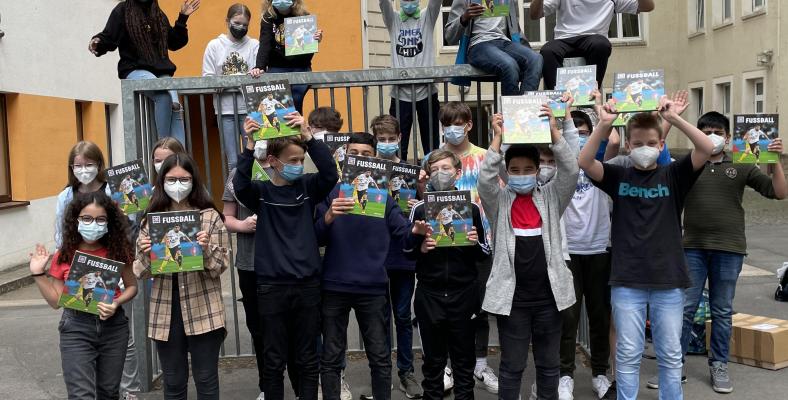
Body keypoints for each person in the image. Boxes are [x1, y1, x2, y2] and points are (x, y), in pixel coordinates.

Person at [578, 97, 714, 400]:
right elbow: (585, 162)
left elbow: (707, 148)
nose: (644, 147)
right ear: (628, 146)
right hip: (627, 278)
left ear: (662, 144)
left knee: (669, 351)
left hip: (669, 279)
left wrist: (675, 119)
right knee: (627, 353)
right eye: (638, 142)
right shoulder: (618, 175)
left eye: (651, 142)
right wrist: (603, 125)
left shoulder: (675, 175)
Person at [645, 112, 786, 394]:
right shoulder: (689, 165)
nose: (712, 136)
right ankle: (675, 367)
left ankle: (719, 364)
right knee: (684, 309)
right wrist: (669, 118)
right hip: (692, 247)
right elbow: (654, 162)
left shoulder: (742, 162)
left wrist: (776, 162)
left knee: (722, 311)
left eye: (717, 132)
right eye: (705, 131)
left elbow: (778, 193)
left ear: (728, 137)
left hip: (729, 248)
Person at [314, 133, 429, 400]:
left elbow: (404, 235)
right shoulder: (331, 192)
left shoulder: (386, 198)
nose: (360, 159)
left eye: (366, 154)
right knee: (331, 357)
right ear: (345, 156)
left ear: (376, 158)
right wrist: (329, 216)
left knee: (379, 358)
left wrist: (416, 230)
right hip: (334, 285)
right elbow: (315, 237)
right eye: (354, 153)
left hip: (373, 287)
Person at [233, 112, 338, 400]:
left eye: (301, 160)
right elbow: (240, 186)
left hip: (307, 285)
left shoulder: (308, 187)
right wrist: (249, 146)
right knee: (273, 359)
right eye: (292, 161)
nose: (298, 166)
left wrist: (309, 138)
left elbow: (330, 174)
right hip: (271, 287)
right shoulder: (261, 192)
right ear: (274, 162)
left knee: (307, 358)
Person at [479, 108, 578, 400]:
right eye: (515, 170)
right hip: (514, 302)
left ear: (538, 171)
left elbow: (571, 171)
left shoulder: (551, 196)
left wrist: (554, 132)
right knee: (512, 366)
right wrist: (497, 139)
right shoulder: (499, 201)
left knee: (549, 366)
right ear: (506, 173)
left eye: (528, 170)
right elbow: (485, 180)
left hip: (550, 299)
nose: (521, 176)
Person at [133, 153, 231, 399]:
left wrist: (206, 249)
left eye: (184, 179)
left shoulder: (209, 216)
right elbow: (141, 271)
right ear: (162, 181)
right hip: (166, 310)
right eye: (171, 179)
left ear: (194, 180)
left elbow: (221, 265)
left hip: (204, 308)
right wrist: (146, 254)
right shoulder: (151, 219)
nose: (178, 185)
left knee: (206, 379)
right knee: (173, 382)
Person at [30, 191, 138, 400]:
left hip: (114, 328)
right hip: (76, 328)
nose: (93, 224)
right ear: (76, 220)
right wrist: (37, 273)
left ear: (109, 223)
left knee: (108, 392)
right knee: (81, 395)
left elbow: (132, 287)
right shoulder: (65, 254)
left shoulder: (118, 250)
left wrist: (116, 303)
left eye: (100, 219)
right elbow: (55, 302)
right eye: (87, 218)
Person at [422, 101, 498, 394]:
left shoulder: (482, 156)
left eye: (457, 123)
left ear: (468, 125)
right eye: (446, 124)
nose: (451, 129)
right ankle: (447, 367)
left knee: (479, 307)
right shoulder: (432, 157)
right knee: (445, 314)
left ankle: (479, 363)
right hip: (440, 245)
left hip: (477, 241)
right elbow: (425, 198)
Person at [406, 149, 491, 400]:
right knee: (433, 365)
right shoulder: (420, 209)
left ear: (458, 173)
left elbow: (485, 253)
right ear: (428, 175)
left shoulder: (471, 208)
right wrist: (419, 246)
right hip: (429, 294)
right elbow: (406, 253)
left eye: (446, 168)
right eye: (435, 169)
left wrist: (474, 242)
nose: (440, 174)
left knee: (464, 363)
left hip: (464, 294)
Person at [90, 0, 201, 144]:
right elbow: (109, 37)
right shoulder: (122, 10)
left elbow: (174, 42)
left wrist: (182, 18)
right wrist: (97, 43)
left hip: (161, 72)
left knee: (175, 105)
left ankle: (179, 156)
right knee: (162, 94)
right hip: (135, 69)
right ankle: (163, 148)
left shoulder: (158, 14)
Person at [370, 115, 423, 398]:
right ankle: (381, 373)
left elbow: (423, 213)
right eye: (382, 140)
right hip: (375, 254)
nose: (387, 144)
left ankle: (406, 372)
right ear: (375, 140)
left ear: (400, 138)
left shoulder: (411, 172)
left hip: (403, 255)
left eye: (392, 139)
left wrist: (418, 201)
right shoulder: (365, 171)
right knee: (379, 318)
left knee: (403, 315)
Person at [222, 149, 276, 400]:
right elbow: (227, 217)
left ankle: (302, 386)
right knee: (258, 328)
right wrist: (242, 226)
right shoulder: (237, 173)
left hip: (282, 264)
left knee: (294, 328)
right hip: (249, 263)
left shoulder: (286, 166)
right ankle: (267, 385)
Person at [530, 0, 655, 90]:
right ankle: (556, 101)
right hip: (565, 38)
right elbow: (534, 15)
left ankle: (590, 95)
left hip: (594, 39)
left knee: (601, 45)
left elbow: (648, 7)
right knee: (547, 51)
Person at [379, 0, 442, 161]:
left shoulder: (426, 16)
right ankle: (400, 179)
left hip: (427, 91)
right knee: (398, 145)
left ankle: (432, 178)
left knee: (431, 143)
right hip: (400, 94)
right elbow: (383, 3)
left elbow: (437, 2)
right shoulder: (393, 20)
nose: (409, 3)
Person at [203, 3, 261, 170]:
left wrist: (225, 83)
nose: (241, 27)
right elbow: (208, 79)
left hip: (250, 109)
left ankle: (254, 193)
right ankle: (235, 194)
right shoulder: (214, 45)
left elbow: (258, 76)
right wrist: (219, 83)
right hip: (224, 110)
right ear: (227, 21)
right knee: (233, 160)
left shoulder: (254, 45)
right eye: (237, 23)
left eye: (245, 25)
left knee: (255, 156)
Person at [444, 0, 543, 96]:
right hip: (479, 44)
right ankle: (512, 111)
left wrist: (525, 50)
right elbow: (449, 36)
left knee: (536, 59)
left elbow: (515, 28)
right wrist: (464, 17)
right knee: (509, 64)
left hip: (504, 42)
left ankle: (524, 109)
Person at [253, 0, 324, 114]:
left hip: (300, 67)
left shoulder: (304, 16)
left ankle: (298, 127)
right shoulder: (268, 17)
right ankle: (289, 128)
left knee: (296, 98)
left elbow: (307, 51)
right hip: (276, 67)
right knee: (281, 103)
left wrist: (315, 39)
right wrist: (259, 66)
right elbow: (265, 43)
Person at [55, 141, 113, 248]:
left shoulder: (112, 191)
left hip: (109, 253)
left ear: (99, 165)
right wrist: (60, 253)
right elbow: (60, 230)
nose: (84, 170)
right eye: (78, 166)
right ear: (72, 168)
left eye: (89, 165)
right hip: (77, 254)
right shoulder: (65, 197)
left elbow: (127, 225)